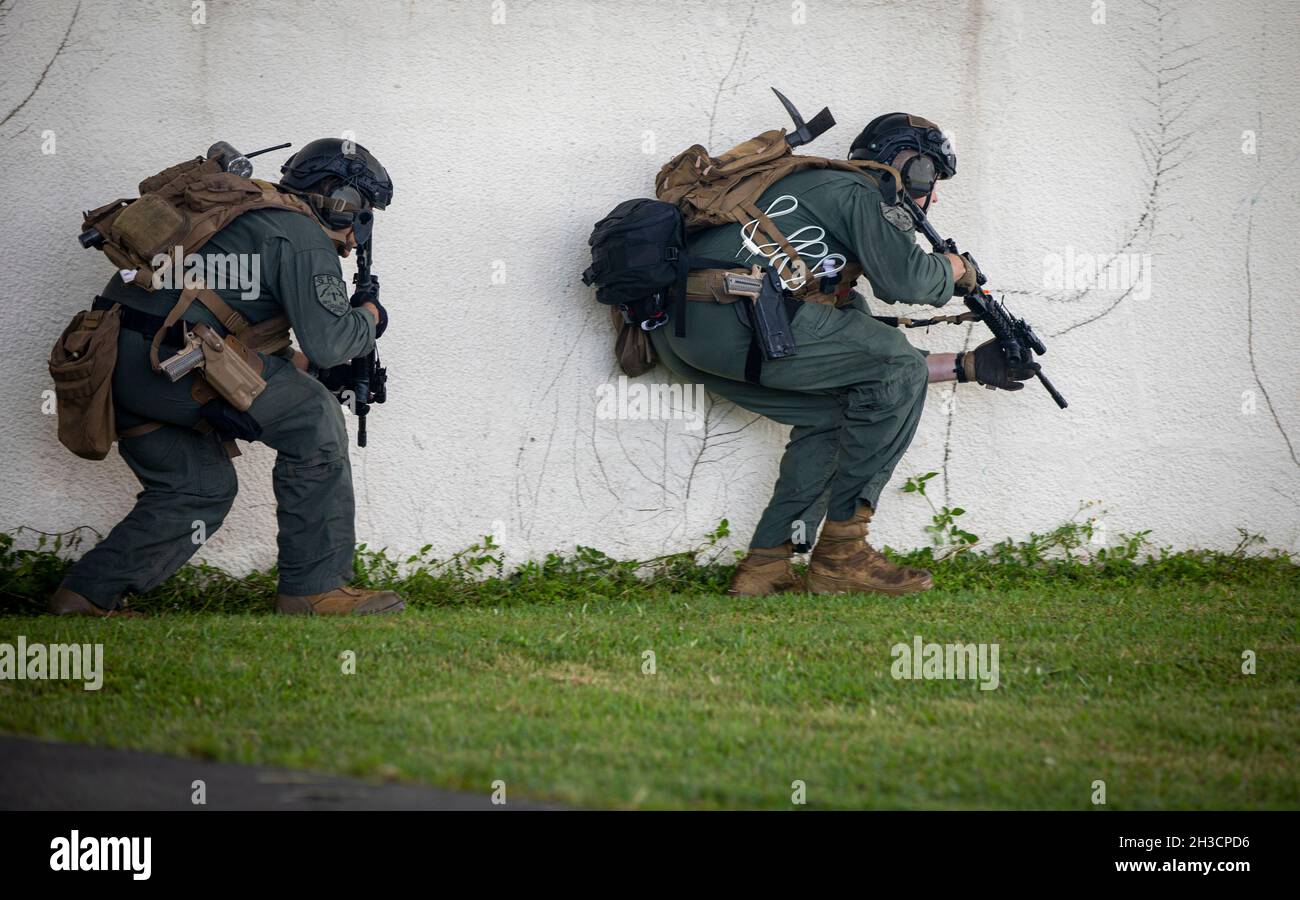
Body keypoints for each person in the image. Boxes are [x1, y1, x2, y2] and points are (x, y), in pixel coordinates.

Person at [648, 113, 1034, 597]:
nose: (932, 195)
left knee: (838, 412)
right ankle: (843, 555)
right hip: (737, 316)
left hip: (687, 333)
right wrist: (955, 268)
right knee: (891, 365)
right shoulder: (856, 192)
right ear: (906, 163)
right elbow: (906, 282)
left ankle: (765, 567)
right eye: (931, 176)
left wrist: (968, 366)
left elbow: (872, 364)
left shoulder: (822, 258)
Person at [49, 139, 404, 617]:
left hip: (118, 366)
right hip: (171, 363)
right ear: (341, 202)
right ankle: (314, 590)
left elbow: (235, 325)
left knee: (198, 487)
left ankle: (85, 596)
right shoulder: (299, 234)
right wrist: (369, 316)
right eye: (363, 211)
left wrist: (304, 367)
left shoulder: (249, 211)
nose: (361, 228)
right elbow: (331, 341)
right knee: (313, 418)